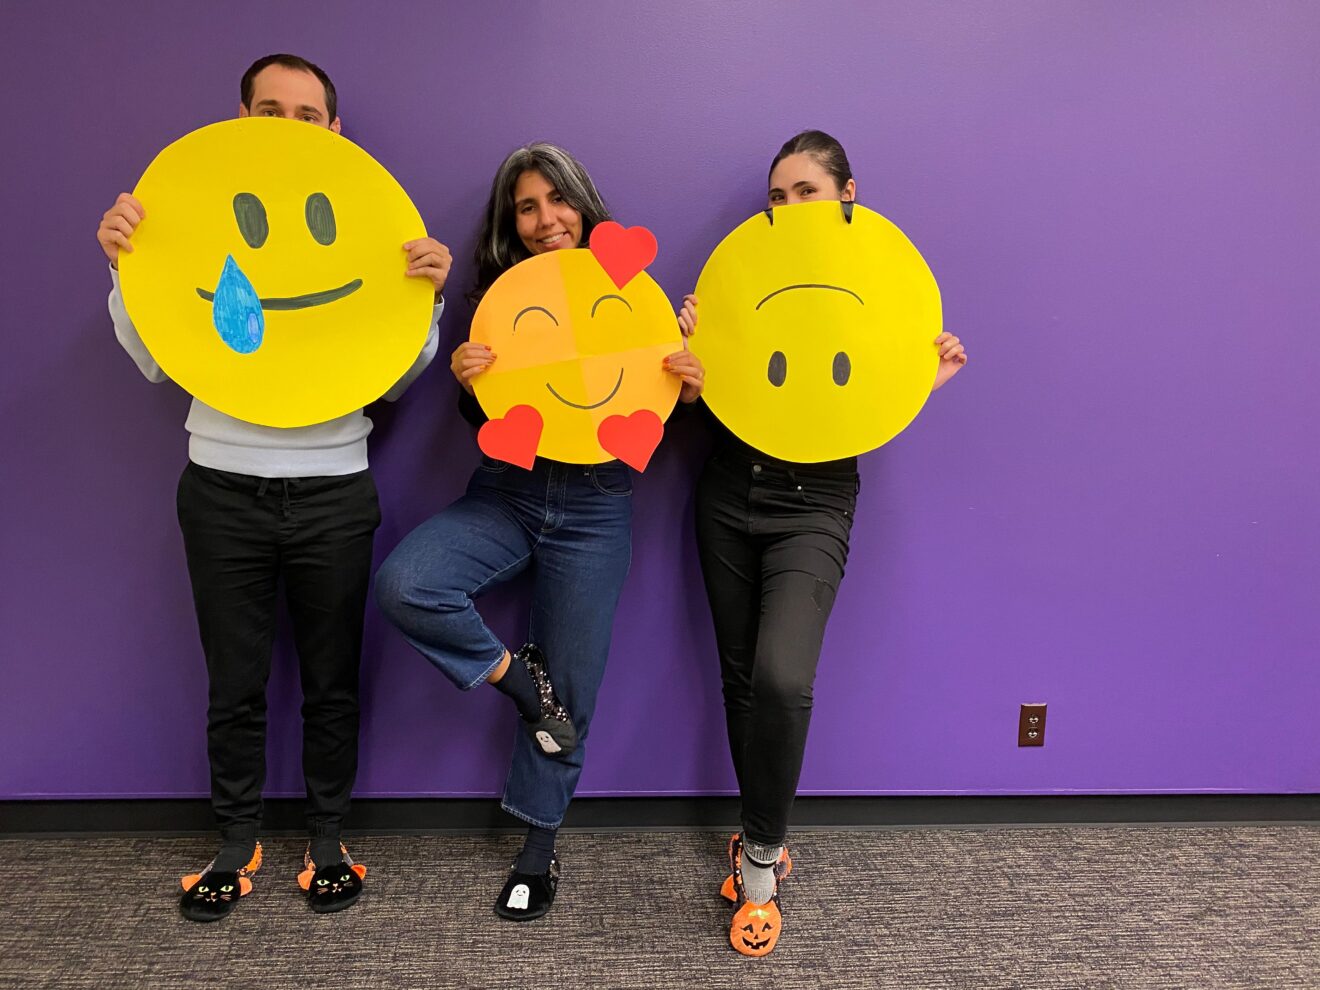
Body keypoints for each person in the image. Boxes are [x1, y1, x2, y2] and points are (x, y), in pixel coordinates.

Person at [95, 53, 450, 922]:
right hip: (221, 488)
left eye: (307, 113)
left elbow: (391, 381)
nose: (288, 126)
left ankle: (328, 836)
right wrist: (125, 269)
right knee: (235, 683)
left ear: (332, 131)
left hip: (334, 489)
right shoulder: (189, 222)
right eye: (270, 109)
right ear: (241, 118)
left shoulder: (372, 234)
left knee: (333, 680)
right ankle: (236, 838)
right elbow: (155, 358)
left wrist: (428, 304)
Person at [374, 142, 702, 921]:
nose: (546, 218)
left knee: (576, 684)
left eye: (558, 200)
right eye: (527, 206)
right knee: (407, 583)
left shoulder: (636, 297)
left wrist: (684, 389)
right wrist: (468, 381)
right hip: (508, 493)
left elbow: (648, 413)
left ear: (584, 204)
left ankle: (537, 845)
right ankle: (523, 683)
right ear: (510, 221)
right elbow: (490, 423)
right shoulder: (499, 298)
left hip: (595, 505)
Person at [691, 130, 967, 956]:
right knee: (743, 681)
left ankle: (765, 864)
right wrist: (689, 363)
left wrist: (919, 382)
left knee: (781, 675)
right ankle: (754, 834)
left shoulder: (878, 284)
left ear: (848, 194)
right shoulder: (742, 282)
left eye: (805, 190)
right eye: (777, 196)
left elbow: (868, 387)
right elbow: (728, 386)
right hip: (727, 489)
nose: (788, 208)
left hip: (815, 503)